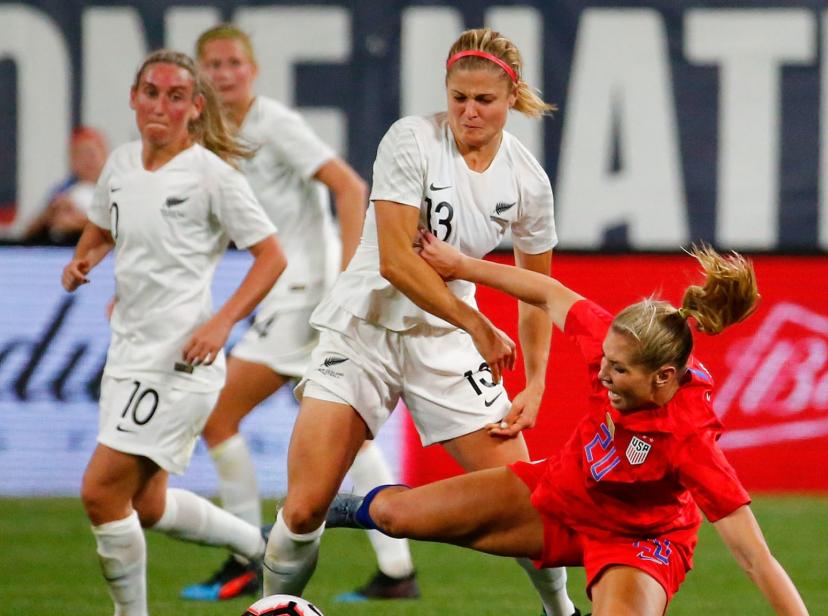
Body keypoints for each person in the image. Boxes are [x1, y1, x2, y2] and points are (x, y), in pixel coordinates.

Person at [262, 27, 579, 616]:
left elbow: (537, 292)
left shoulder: (528, 181)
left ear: (511, 98)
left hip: (444, 346)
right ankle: (271, 610)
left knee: (531, 504)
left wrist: (535, 383)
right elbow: (397, 260)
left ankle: (561, 613)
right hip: (364, 330)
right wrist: (477, 326)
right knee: (304, 508)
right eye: (459, 97)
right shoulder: (410, 140)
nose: (469, 111)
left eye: (484, 100)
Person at [326, 235, 811, 616]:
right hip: (559, 496)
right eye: (607, 360)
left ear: (663, 378)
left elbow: (755, 559)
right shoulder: (613, 342)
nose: (604, 373)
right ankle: (314, 514)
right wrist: (461, 266)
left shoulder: (690, 439)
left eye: (619, 370)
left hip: (640, 543)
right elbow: (548, 291)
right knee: (395, 517)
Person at [179, 23, 419, 603]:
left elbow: (348, 185)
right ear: (200, 75)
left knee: (218, 416)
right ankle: (395, 571)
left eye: (233, 62)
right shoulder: (214, 137)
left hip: (307, 294)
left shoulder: (274, 124)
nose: (224, 73)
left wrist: (344, 279)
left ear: (253, 70)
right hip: (287, 294)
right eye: (212, 64)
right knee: (348, 433)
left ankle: (243, 556)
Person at [61, 49, 287, 616]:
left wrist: (221, 322)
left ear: (195, 107)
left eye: (176, 96)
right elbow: (102, 226)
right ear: (135, 99)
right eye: (152, 93)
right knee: (148, 504)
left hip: (180, 358)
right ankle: (256, 545)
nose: (161, 105)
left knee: (100, 492)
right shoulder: (120, 164)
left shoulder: (213, 176)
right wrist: (82, 260)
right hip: (128, 352)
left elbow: (271, 257)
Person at [25, 126, 108, 244]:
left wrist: (81, 222)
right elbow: (28, 234)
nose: (87, 161)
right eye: (80, 155)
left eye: (91, 154)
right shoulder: (64, 190)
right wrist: (48, 215)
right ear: (71, 159)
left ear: (104, 154)